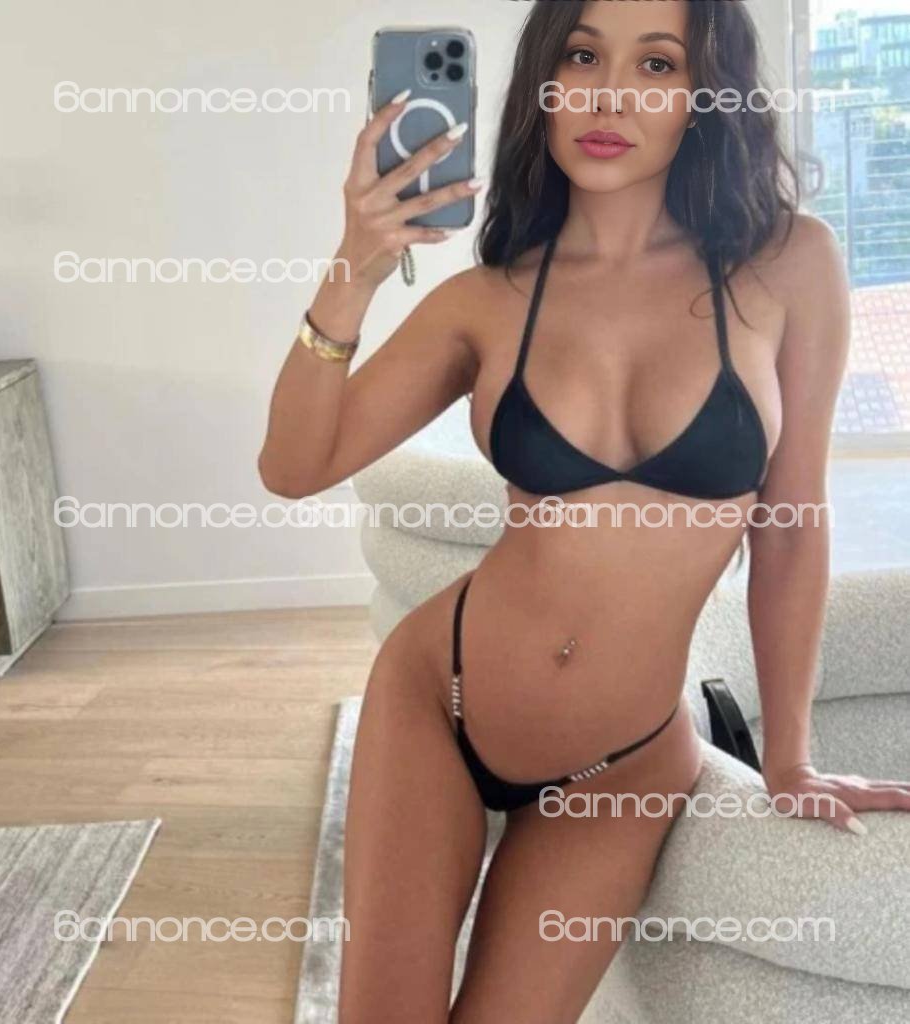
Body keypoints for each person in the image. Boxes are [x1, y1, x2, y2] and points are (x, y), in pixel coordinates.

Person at [258, 2, 910, 1021]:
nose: (608, 96)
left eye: (656, 65)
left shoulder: (786, 264)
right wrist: (357, 264)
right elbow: (295, 467)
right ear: (543, 84)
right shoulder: (487, 299)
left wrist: (788, 755)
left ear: (705, 95)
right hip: (442, 701)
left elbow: (790, 525)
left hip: (621, 764)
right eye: (580, 56)